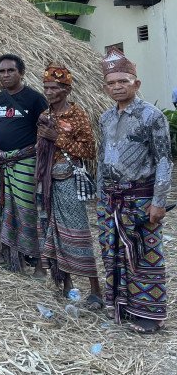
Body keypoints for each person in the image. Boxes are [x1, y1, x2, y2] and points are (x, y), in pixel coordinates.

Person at [98, 50, 172, 333]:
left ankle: (150, 316)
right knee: (113, 253)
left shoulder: (152, 116)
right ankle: (123, 305)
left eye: (123, 81)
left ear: (136, 83)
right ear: (106, 87)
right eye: (111, 83)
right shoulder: (105, 118)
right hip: (112, 197)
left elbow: (164, 160)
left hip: (140, 197)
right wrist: (101, 196)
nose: (117, 87)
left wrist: (159, 201)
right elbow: (103, 157)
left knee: (145, 254)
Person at [34, 64, 101, 304]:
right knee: (53, 233)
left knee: (77, 232)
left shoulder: (77, 114)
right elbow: (40, 148)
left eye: (54, 88)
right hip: (47, 182)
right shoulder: (45, 115)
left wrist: (58, 138)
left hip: (68, 181)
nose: (49, 92)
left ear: (66, 90)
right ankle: (67, 283)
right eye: (46, 87)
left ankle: (95, 289)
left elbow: (88, 150)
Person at [0, 53, 48, 272]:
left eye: (11, 70)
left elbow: (44, 133)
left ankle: (40, 264)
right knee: (7, 212)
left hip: (25, 164)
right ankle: (16, 261)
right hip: (2, 165)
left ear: (21, 73)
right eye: (2, 71)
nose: (6, 75)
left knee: (29, 212)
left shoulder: (35, 99)